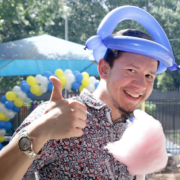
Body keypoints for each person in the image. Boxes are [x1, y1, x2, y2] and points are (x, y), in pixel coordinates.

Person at [0, 28, 159, 180]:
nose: (141, 85)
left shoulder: (134, 131)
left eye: (149, 76)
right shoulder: (59, 117)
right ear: (104, 69)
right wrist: (40, 130)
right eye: (131, 70)